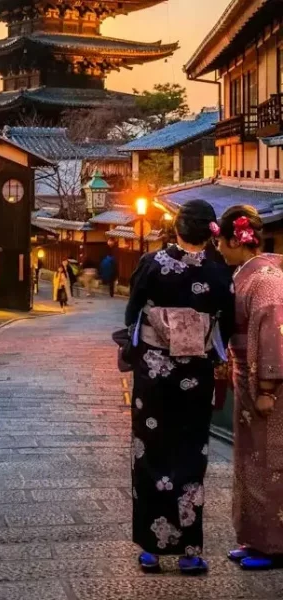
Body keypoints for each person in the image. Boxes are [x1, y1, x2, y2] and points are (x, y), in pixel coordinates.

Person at [125, 199, 235, 575]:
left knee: (150, 451)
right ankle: (190, 550)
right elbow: (228, 322)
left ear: (177, 227)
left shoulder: (151, 263)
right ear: (210, 232)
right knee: (190, 454)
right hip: (196, 375)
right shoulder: (219, 271)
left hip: (155, 373)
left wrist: (143, 341)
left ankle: (152, 550)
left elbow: (133, 312)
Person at [214, 205, 283, 570]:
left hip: (267, 386)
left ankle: (274, 544)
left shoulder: (268, 280)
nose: (219, 250)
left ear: (234, 240)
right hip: (246, 376)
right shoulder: (246, 274)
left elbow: (274, 334)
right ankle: (254, 537)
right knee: (250, 460)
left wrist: (268, 387)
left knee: (271, 462)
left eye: (221, 243)